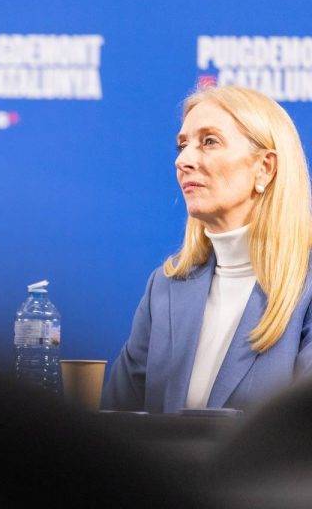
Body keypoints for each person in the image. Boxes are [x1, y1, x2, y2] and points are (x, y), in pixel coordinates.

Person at [103, 85, 312, 413]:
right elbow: (116, 424)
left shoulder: (306, 286)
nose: (184, 160)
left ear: (265, 168)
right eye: (182, 145)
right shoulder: (165, 287)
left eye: (209, 141)